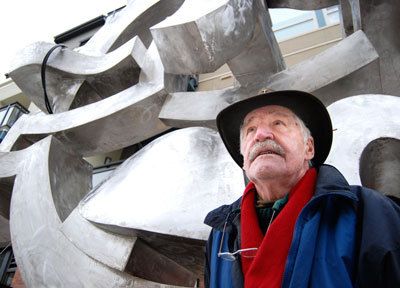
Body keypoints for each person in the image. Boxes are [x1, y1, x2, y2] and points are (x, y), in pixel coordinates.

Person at [204, 90, 400, 288]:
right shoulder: (221, 235)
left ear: (309, 148)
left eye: (278, 123)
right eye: (250, 130)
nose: (261, 135)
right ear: (244, 160)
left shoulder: (366, 212)